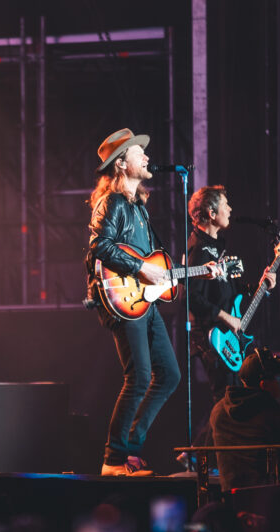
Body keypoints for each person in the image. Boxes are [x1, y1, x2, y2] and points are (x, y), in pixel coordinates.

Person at [86, 128, 219, 477]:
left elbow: (157, 265)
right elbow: (100, 247)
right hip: (122, 299)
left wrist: (198, 273)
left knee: (170, 375)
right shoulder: (112, 202)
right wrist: (141, 267)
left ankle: (129, 449)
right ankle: (112, 460)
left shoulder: (138, 207)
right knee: (139, 376)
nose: (146, 157)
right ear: (120, 165)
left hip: (145, 303)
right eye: (137, 152)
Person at [187, 185, 276, 403]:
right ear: (211, 212)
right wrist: (226, 318)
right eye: (225, 205)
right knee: (227, 398)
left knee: (239, 395)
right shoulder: (197, 247)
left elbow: (228, 291)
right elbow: (190, 298)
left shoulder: (216, 246)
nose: (230, 209)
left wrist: (261, 287)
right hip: (213, 336)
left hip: (229, 332)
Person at [209, 350, 280, 492]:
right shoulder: (277, 417)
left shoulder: (218, 411)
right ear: (264, 385)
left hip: (232, 503)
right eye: (278, 378)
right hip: (272, 505)